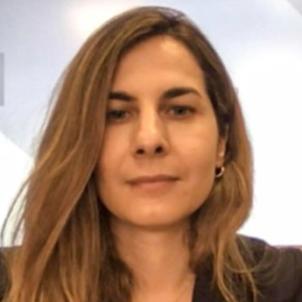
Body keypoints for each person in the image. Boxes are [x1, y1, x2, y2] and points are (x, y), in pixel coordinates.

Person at [0, 6, 302, 302]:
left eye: (179, 110)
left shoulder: (289, 284)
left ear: (222, 141)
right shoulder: (9, 285)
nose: (149, 139)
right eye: (117, 114)